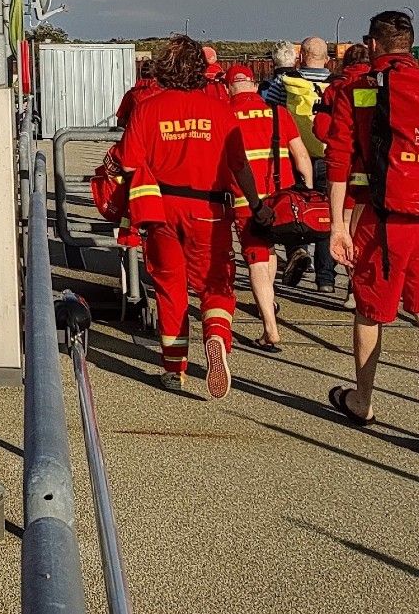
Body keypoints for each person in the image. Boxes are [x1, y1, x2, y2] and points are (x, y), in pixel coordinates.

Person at [323, 11, 419, 456]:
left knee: (371, 313)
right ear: (410, 45)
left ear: (373, 45)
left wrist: (337, 224)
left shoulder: (358, 90)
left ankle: (362, 400)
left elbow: (339, 160)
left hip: (384, 221)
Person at [119, 35, 265, 397]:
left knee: (170, 288)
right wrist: (256, 202)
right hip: (210, 210)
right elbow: (239, 165)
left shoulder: (147, 108)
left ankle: (173, 369)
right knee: (216, 285)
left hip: (161, 210)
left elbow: (128, 162)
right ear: (200, 70)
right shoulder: (221, 111)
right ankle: (216, 335)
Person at [226, 65, 312, 350]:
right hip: (282, 200)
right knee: (270, 252)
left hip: (246, 201)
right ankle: (270, 299)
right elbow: (301, 156)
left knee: (257, 260)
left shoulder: (225, 115)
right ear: (253, 84)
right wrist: (307, 193)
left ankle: (270, 328)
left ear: (229, 88)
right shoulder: (278, 112)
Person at [268, 36, 336, 288]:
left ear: (300, 57)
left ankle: (297, 248)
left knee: (293, 207)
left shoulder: (284, 83)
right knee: (328, 213)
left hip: (294, 156)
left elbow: (270, 115)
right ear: (327, 59)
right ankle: (326, 277)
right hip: (331, 157)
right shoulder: (337, 86)